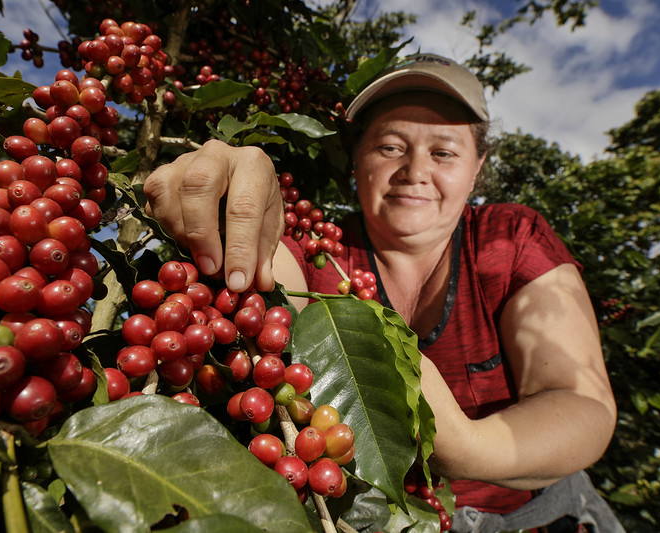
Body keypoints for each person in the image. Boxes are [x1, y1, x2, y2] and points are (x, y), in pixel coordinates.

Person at [144, 53, 622, 532]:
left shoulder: (508, 238)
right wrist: (231, 210)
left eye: (444, 153)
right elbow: (265, 277)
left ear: (476, 168)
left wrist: (466, 446)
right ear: (357, 159)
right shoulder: (321, 254)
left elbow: (583, 404)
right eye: (390, 147)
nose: (414, 170)